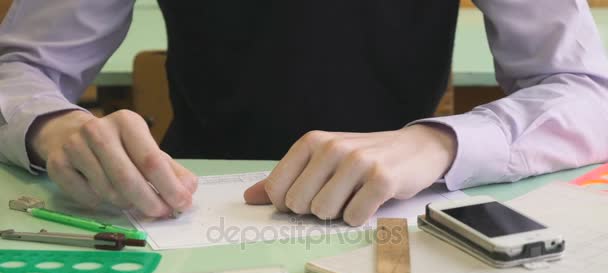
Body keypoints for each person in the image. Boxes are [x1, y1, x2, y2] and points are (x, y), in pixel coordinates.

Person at [1, 0, 607, 226]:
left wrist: (437, 144)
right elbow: (22, 71)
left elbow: (586, 90)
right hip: (188, 210)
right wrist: (54, 128)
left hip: (401, 214)